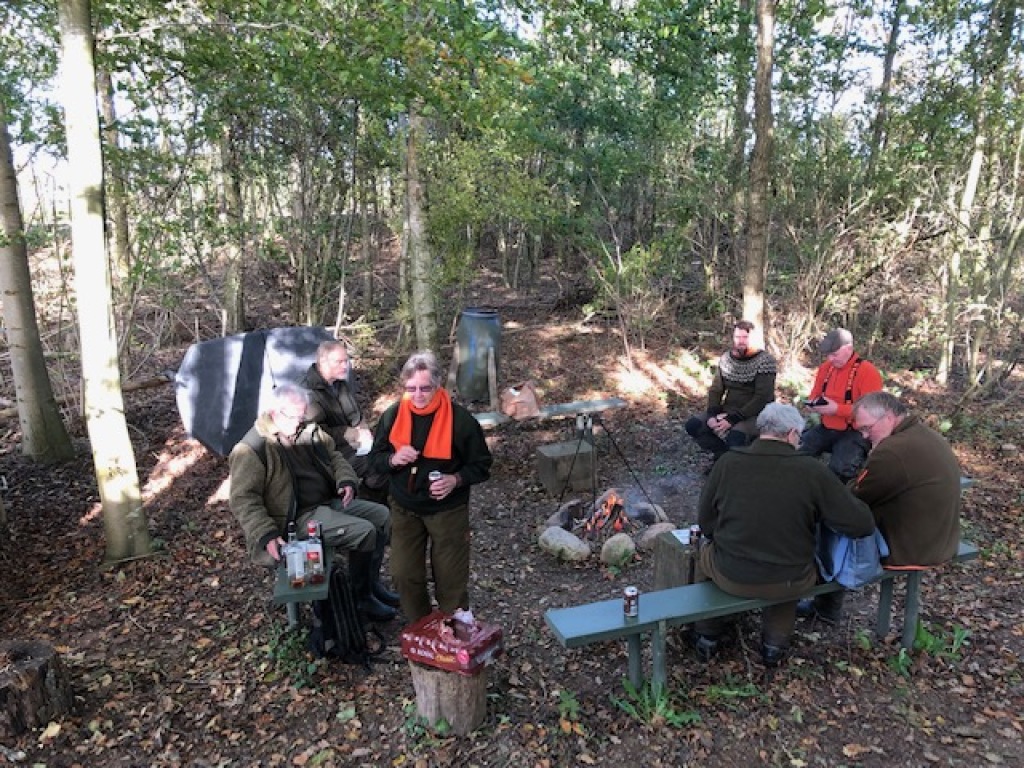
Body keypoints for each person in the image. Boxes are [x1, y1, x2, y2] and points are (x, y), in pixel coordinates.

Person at [693, 402, 875, 666]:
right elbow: (860, 524)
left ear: (762, 430)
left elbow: (706, 521)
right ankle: (773, 647)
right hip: (790, 578)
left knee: (705, 557)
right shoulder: (813, 471)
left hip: (730, 573)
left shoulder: (728, 463)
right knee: (790, 569)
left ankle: (706, 635)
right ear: (792, 434)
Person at [228, 384, 397, 622]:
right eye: (294, 416)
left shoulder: (308, 428)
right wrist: (265, 533)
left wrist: (345, 479)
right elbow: (243, 498)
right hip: (295, 518)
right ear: (275, 413)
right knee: (364, 531)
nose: (299, 422)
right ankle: (362, 598)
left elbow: (334, 456)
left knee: (382, 516)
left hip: (327, 501)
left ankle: (370, 584)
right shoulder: (252, 448)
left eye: (302, 415)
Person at [798, 392, 962, 624]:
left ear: (889, 418)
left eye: (867, 429)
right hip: (941, 538)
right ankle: (825, 605)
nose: (864, 436)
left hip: (911, 547)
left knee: (832, 521)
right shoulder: (925, 434)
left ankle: (819, 599)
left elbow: (853, 499)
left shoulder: (892, 451)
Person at [368, 350, 493, 624]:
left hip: (447, 510)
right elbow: (374, 459)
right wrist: (392, 459)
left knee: (450, 577)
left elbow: (482, 464)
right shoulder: (392, 416)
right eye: (411, 388)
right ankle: (422, 627)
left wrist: (455, 480)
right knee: (403, 573)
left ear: (437, 385)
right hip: (404, 507)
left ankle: (455, 630)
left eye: (425, 388)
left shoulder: (460, 421)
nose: (418, 395)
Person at [302, 340, 388, 502]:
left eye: (346, 361)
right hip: (328, 453)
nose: (345, 366)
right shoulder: (308, 392)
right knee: (377, 465)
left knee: (388, 454)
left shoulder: (339, 384)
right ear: (323, 362)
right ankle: (372, 506)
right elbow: (313, 433)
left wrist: (363, 430)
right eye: (339, 362)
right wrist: (346, 433)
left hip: (353, 444)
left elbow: (355, 415)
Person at [684, 320, 777, 463]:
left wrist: (734, 419)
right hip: (729, 409)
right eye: (737, 337)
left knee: (736, 437)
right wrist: (712, 414)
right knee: (694, 425)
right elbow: (716, 389)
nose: (741, 341)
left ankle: (735, 464)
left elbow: (762, 397)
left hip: (756, 414)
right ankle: (722, 456)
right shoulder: (727, 359)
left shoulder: (765, 361)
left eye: (745, 337)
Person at [799, 328, 883, 483]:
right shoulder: (826, 368)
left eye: (835, 354)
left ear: (848, 349)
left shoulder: (867, 372)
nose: (830, 359)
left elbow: (872, 412)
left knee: (840, 470)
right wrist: (813, 404)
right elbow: (815, 393)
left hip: (855, 432)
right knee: (797, 452)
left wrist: (837, 409)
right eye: (828, 355)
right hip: (826, 428)